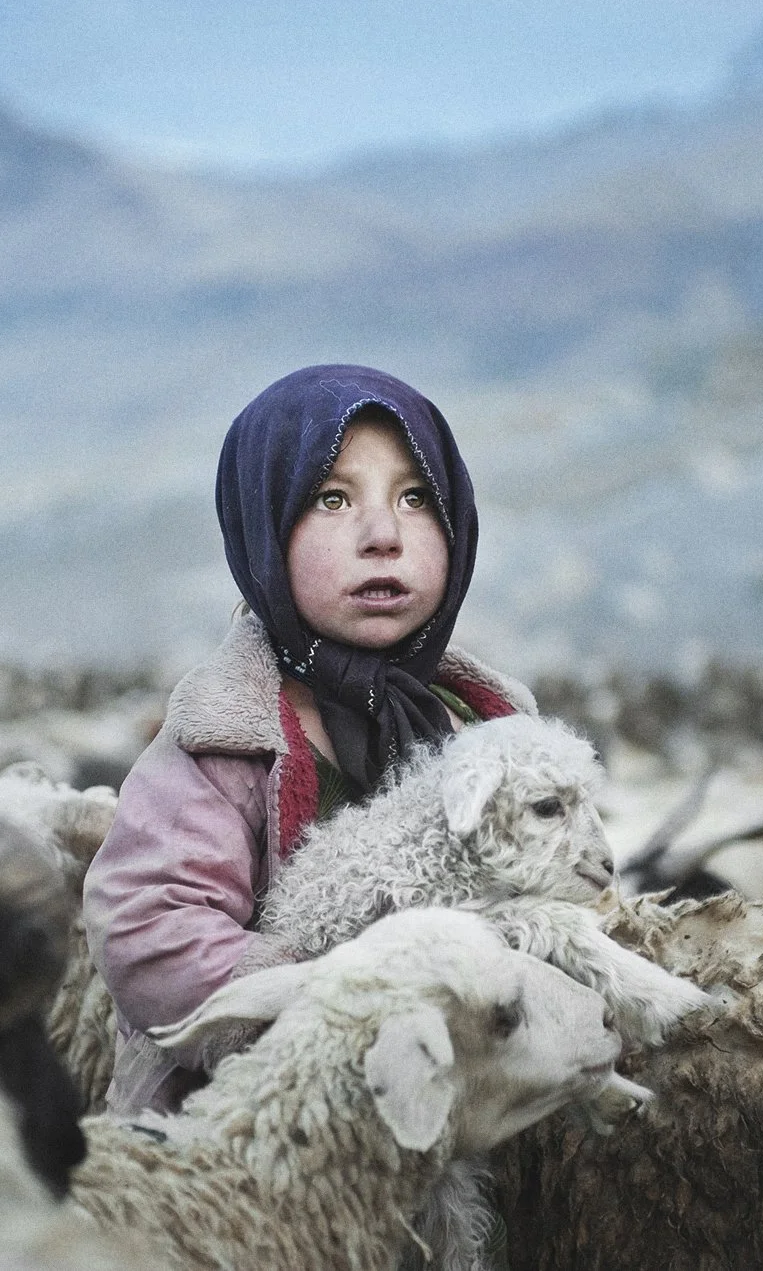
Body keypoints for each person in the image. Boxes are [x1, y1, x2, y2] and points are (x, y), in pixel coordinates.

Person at [81, 363, 535, 1114]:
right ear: (263, 526)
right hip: (256, 1126)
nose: (383, 535)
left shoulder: (489, 728)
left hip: (470, 1114)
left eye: (415, 498)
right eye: (332, 498)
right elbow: (149, 927)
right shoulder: (224, 740)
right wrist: (341, 1004)